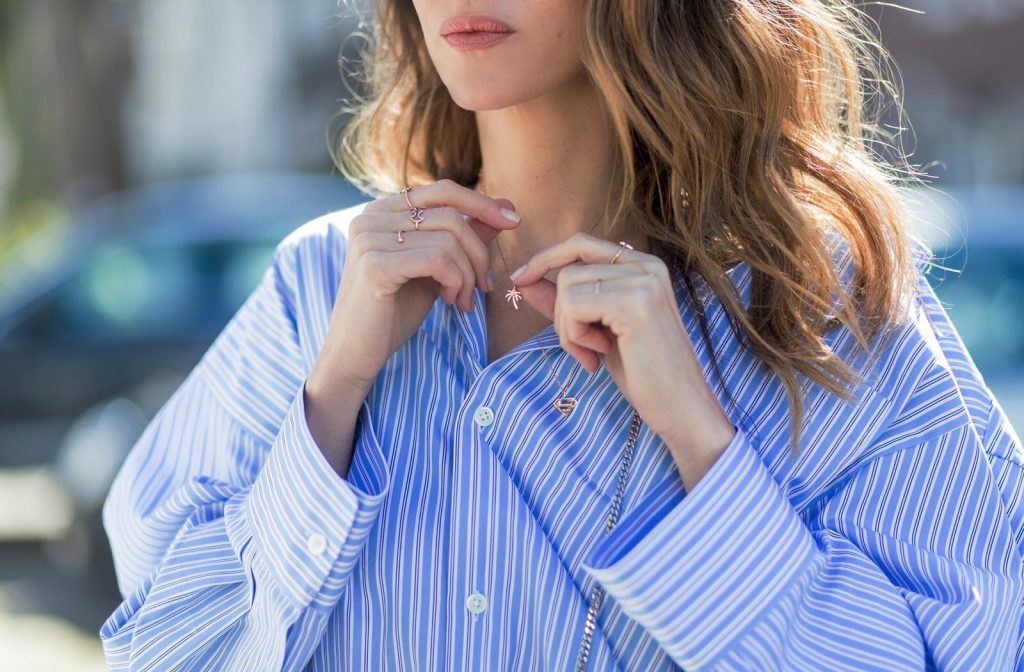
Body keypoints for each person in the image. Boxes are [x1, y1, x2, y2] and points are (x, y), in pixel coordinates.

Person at [99, 0, 1024, 670]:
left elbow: (968, 649)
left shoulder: (814, 303)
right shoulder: (317, 288)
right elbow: (160, 647)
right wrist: (337, 389)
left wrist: (702, 441)